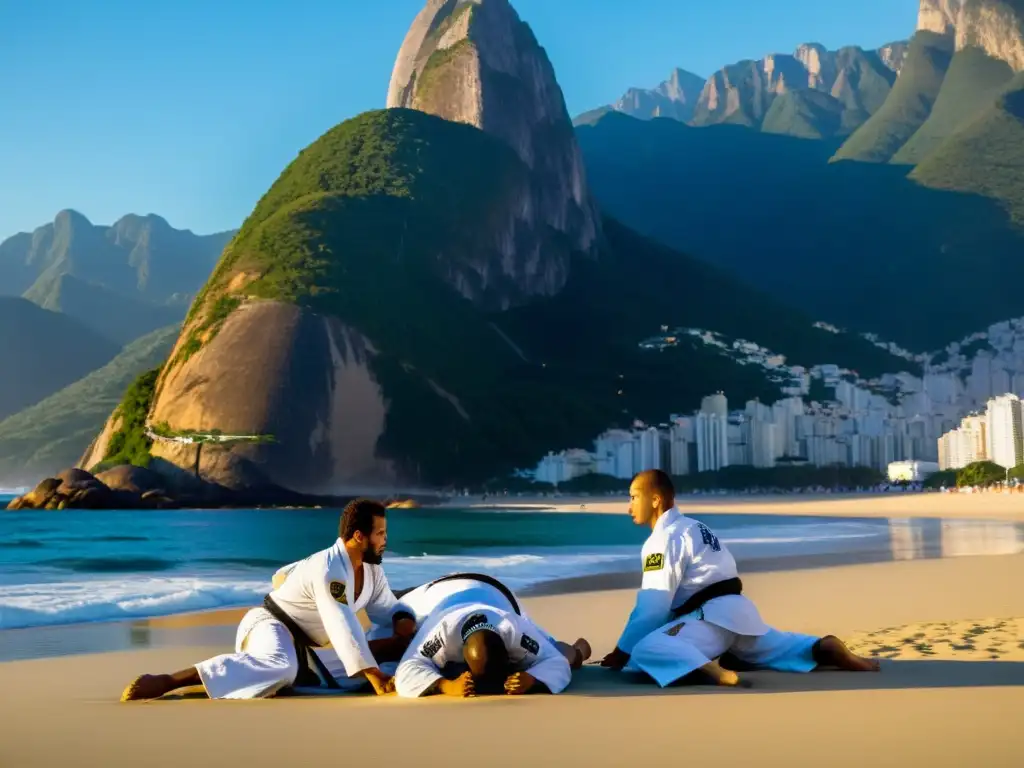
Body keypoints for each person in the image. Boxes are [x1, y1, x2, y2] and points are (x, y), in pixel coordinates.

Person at [600, 470, 880, 688]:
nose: (629, 506)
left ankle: (713, 671)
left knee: (645, 651)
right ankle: (820, 647)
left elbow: (654, 607)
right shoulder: (697, 527)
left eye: (633, 497)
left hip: (707, 621)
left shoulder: (663, 539)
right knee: (784, 648)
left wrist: (622, 649)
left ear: (656, 499)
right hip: (740, 616)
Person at [120, 498, 416, 701]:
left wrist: (402, 620)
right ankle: (168, 681)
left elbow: (388, 607)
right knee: (281, 668)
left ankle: (279, 676)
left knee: (358, 675)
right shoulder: (330, 569)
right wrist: (376, 677)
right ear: (358, 536)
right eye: (380, 533)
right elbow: (341, 621)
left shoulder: (371, 571)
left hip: (305, 649)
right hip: (269, 625)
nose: (385, 539)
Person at [392, 573, 591, 698]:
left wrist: (531, 679)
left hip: (500, 597)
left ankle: (578, 650)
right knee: (399, 635)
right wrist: (446, 686)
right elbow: (406, 670)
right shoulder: (441, 630)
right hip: (435, 593)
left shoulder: (513, 629)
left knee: (555, 650)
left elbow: (555, 661)